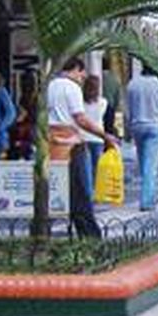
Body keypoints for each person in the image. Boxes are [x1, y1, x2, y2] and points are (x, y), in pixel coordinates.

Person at [46, 58, 111, 237]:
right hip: (72, 143)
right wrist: (104, 135)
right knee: (80, 190)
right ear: (76, 69)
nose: (83, 77)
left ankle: (43, 229)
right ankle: (89, 233)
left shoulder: (50, 85)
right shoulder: (72, 87)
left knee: (56, 186)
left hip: (52, 143)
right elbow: (80, 119)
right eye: (82, 73)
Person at [125, 65, 158, 212]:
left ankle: (150, 193)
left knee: (144, 163)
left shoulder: (132, 83)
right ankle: (147, 200)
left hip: (136, 125)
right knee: (150, 164)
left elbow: (128, 108)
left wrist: (127, 128)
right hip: (154, 126)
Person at [78, 74, 109, 198]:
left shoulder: (80, 102)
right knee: (97, 168)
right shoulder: (103, 102)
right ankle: (97, 192)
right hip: (98, 138)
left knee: (86, 170)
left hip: (83, 137)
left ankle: (88, 194)